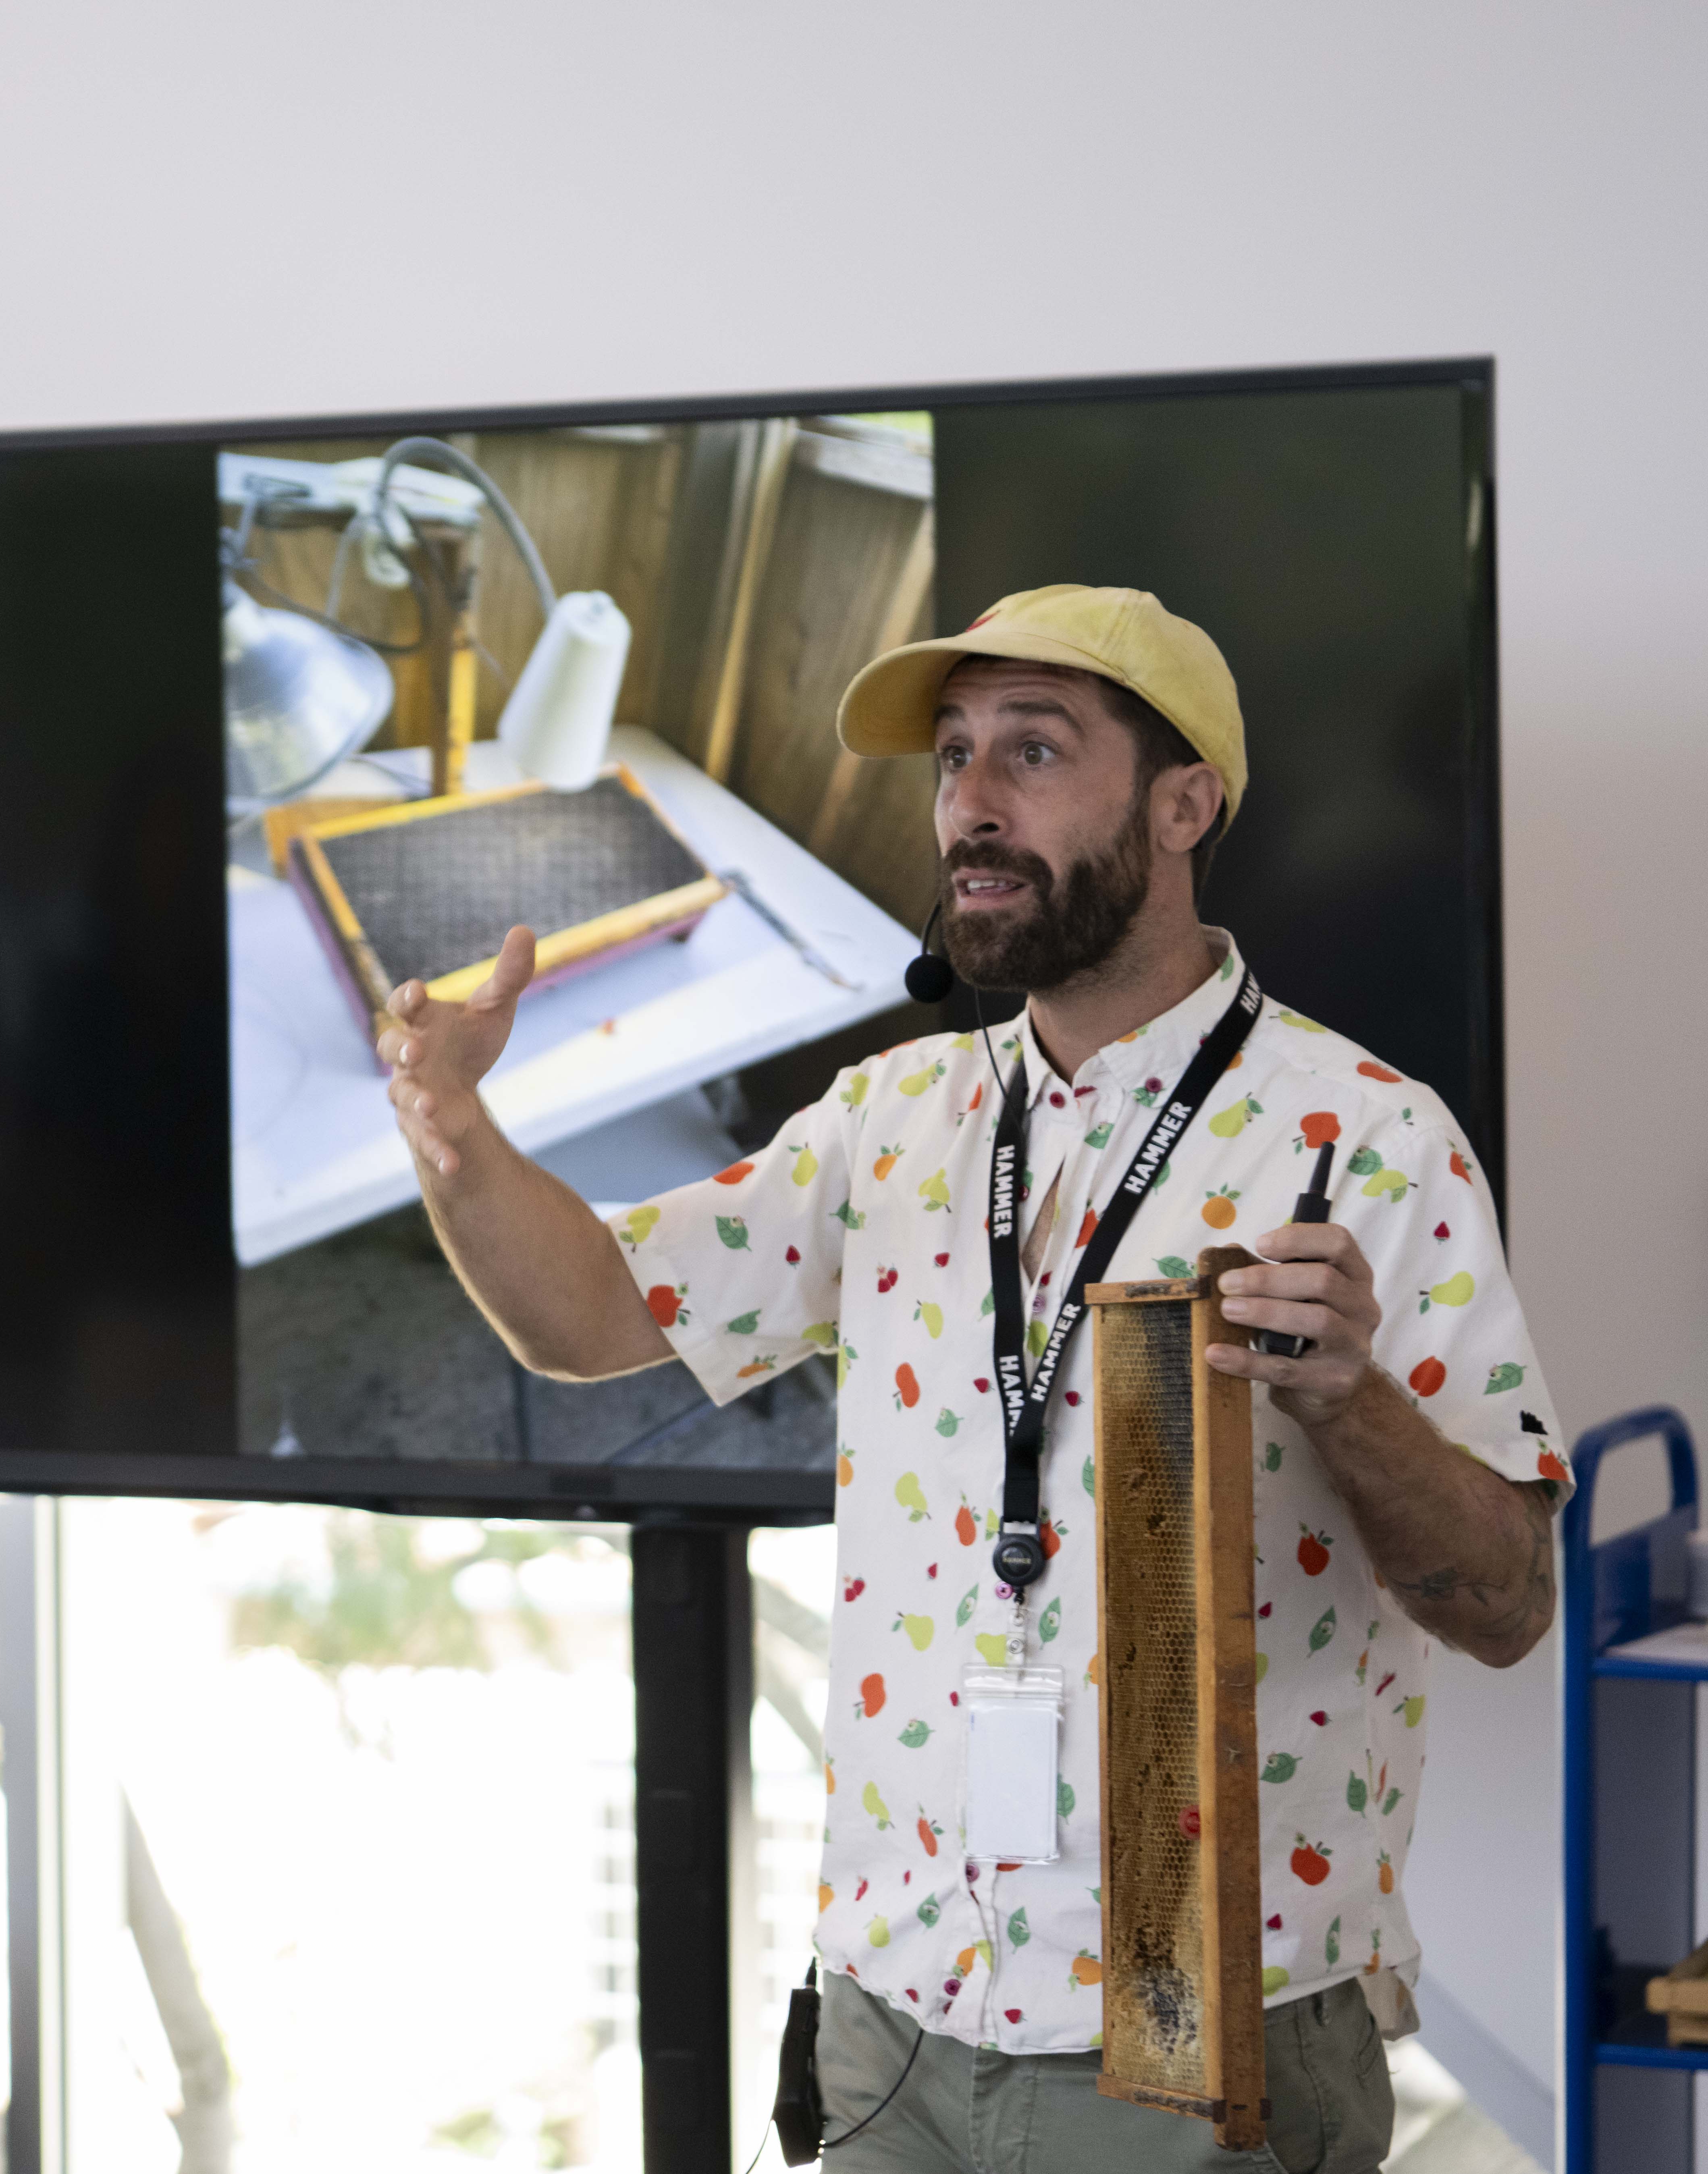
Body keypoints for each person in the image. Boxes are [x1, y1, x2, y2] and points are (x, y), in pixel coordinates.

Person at [376, 584, 1565, 2173]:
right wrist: (453, 1132)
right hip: (892, 2004)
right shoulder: (892, 1121)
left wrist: (1350, 1390)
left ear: (1184, 802)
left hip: (1189, 2017)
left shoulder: (1370, 1138)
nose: (971, 803)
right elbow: (586, 1311)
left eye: (1034, 750)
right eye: (953, 756)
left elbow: (1507, 1601)